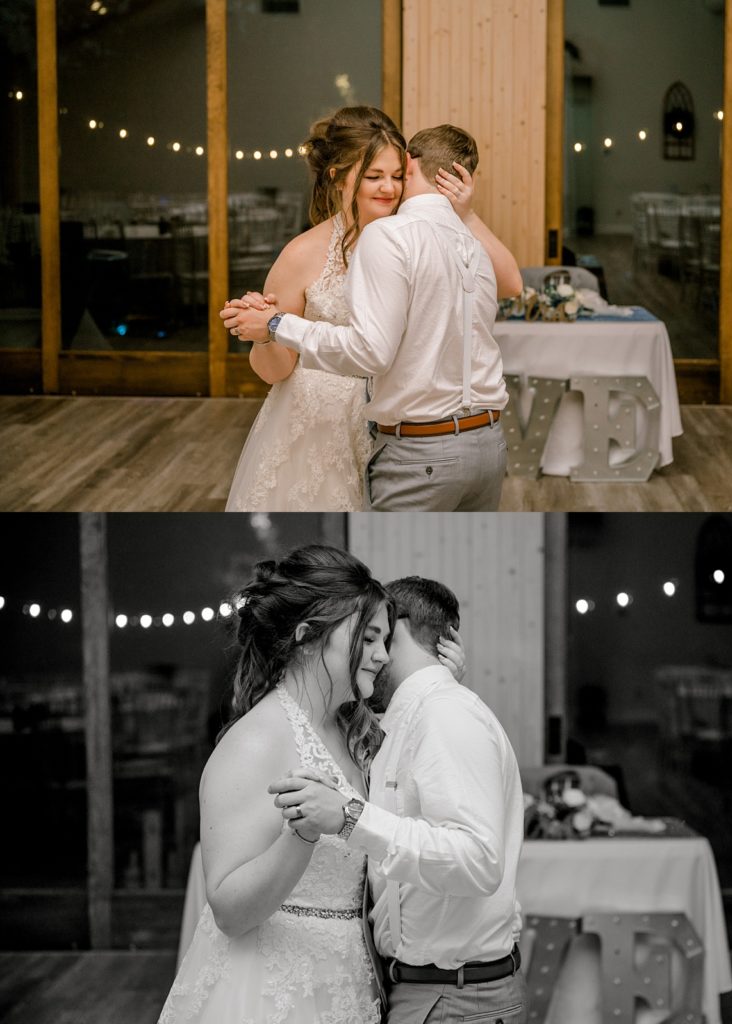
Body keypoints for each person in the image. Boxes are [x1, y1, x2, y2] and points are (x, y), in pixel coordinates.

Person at [157, 545, 466, 1024]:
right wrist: (300, 835)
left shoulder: (352, 729)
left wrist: (441, 685)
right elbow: (229, 911)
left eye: (386, 640)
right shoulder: (255, 742)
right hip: (271, 993)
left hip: (348, 980)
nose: (382, 656)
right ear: (306, 637)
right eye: (367, 638)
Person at [222, 110, 522, 512]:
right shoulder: (301, 254)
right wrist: (264, 333)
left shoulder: (418, 232)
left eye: (398, 176)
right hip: (320, 426)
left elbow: (509, 284)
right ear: (338, 176)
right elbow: (275, 372)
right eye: (374, 175)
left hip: (402, 430)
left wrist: (463, 213)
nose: (388, 188)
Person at [269, 575, 527, 1024]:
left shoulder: (444, 715)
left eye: (375, 635)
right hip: (429, 994)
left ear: (398, 627)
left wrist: (350, 818)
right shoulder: (412, 716)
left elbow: (479, 858)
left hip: (456, 1001)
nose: (371, 655)